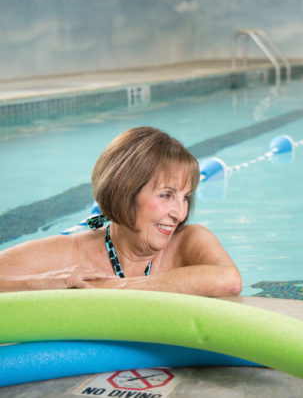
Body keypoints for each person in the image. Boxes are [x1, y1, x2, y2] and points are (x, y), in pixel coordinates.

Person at [0, 127, 242, 296]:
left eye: (185, 197)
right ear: (125, 192)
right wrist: (42, 283)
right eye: (166, 195)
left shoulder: (189, 242)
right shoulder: (71, 253)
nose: (179, 213)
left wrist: (113, 288)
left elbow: (229, 281)